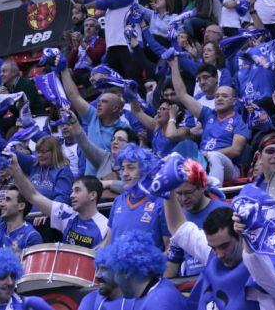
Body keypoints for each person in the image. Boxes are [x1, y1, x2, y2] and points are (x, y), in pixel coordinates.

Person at [165, 199, 272, 309]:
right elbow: (179, 228)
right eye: (213, 248)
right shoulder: (213, 251)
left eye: (224, 246)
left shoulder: (261, 268)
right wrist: (168, 193)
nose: (219, 254)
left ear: (240, 236)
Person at [169, 55, 249, 185]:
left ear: (234, 101)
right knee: (175, 156)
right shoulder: (208, 115)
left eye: (224, 96)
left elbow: (235, 150)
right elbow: (182, 95)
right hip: (203, 163)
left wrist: (208, 154)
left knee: (214, 157)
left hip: (230, 167)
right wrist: (173, 66)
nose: (219, 99)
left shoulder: (240, 121)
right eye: (217, 96)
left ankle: (214, 190)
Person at [6, 150, 109, 249]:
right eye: (72, 191)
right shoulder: (67, 214)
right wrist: (16, 170)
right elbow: (32, 195)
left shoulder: (105, 227)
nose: (72, 195)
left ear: (92, 195)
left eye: (77, 190)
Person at [165, 157, 228, 278]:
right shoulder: (178, 217)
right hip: (189, 284)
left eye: (188, 192)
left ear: (202, 186)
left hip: (218, 278)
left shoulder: (223, 212)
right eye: (179, 193)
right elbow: (173, 263)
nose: (183, 199)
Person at [90, 230, 186, 308]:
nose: (115, 280)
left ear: (126, 272)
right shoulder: (152, 292)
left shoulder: (160, 302)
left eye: (116, 272)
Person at [106, 144, 169, 249]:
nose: (125, 174)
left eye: (130, 168)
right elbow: (108, 242)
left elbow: (169, 248)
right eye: (122, 169)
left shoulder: (160, 203)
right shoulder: (118, 201)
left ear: (145, 171)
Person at [14, 135, 73, 204]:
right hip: (28, 214)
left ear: (55, 152)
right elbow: (12, 154)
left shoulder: (63, 171)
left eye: (43, 152)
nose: (39, 155)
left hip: (47, 214)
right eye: (38, 152)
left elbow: (62, 199)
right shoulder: (34, 165)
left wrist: (47, 213)